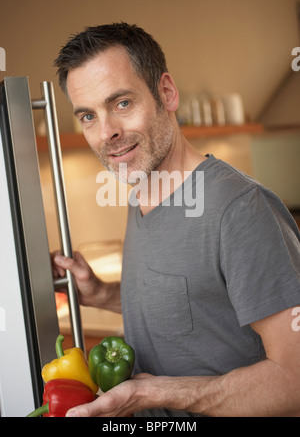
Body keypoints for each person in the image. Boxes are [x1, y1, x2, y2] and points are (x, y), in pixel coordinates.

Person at [52, 23, 300, 417]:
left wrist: (153, 395)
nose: (107, 133)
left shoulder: (240, 209)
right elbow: (202, 306)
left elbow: (294, 380)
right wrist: (104, 295)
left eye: (121, 104)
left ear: (166, 93)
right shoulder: (142, 191)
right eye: (87, 116)